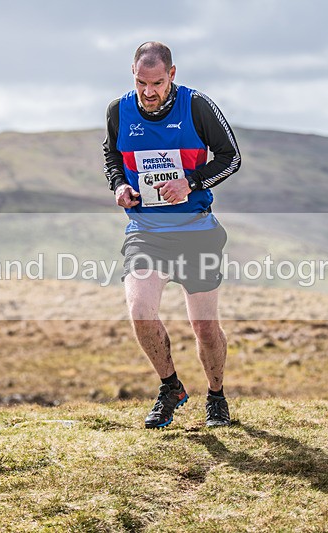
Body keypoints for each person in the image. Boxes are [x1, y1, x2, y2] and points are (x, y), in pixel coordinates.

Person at [103, 42, 241, 429]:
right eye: (141, 82)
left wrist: (191, 182)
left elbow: (232, 157)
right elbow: (112, 155)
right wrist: (118, 185)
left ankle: (216, 395)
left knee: (205, 327)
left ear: (173, 75)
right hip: (145, 231)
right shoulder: (119, 110)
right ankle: (170, 387)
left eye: (157, 83)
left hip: (196, 231)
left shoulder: (198, 106)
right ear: (132, 74)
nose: (149, 92)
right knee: (140, 313)